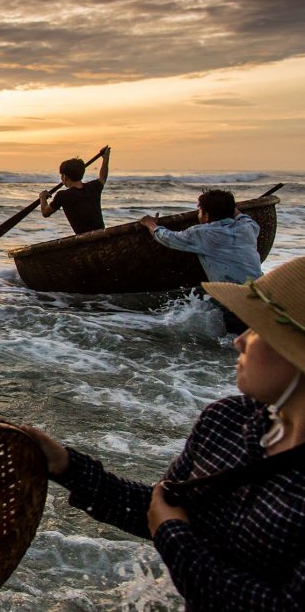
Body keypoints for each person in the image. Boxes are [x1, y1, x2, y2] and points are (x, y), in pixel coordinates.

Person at [24, 256, 305, 610]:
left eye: (259, 328)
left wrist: (175, 540)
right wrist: (67, 467)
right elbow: (161, 510)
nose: (240, 340)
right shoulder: (228, 421)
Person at [138, 189, 262, 284]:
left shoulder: (202, 233)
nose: (198, 214)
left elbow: (168, 237)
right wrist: (227, 205)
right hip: (260, 287)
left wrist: (151, 225)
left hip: (231, 293)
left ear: (206, 215)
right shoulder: (247, 227)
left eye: (200, 211)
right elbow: (242, 216)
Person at [39, 146, 111, 234]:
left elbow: (45, 212)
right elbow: (103, 177)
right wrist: (105, 158)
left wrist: (42, 197)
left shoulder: (63, 195)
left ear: (65, 177)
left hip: (85, 239)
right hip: (101, 233)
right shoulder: (93, 187)